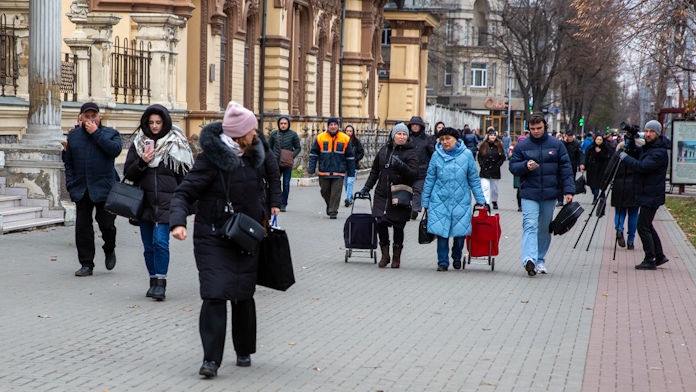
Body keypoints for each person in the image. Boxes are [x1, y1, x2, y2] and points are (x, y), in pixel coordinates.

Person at [170, 101, 274, 377]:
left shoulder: (255, 156)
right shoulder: (210, 160)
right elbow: (183, 194)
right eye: (252, 129)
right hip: (213, 237)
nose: (256, 133)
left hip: (246, 237)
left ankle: (243, 349)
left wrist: (267, 212)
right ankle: (210, 360)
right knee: (215, 294)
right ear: (240, 133)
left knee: (243, 295)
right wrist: (178, 222)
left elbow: (266, 185)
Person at [123, 104, 194, 300]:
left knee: (161, 242)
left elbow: (185, 176)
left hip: (167, 203)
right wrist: (143, 161)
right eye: (151, 122)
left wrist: (187, 203)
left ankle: (161, 283)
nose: (154, 126)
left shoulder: (176, 143)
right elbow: (128, 173)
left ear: (165, 122)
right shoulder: (139, 143)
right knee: (148, 246)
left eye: (158, 122)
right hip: (144, 202)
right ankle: (153, 280)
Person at [509, 114, 574, 276]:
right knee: (530, 225)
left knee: (544, 228)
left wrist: (569, 190)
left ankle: (539, 260)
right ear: (528, 129)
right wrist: (525, 165)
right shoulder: (521, 146)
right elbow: (513, 167)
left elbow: (565, 169)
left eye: (539, 128)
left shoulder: (556, 145)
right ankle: (529, 260)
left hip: (550, 194)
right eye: (532, 129)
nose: (536, 131)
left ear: (545, 127)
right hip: (529, 193)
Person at [63, 102, 122, 277]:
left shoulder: (111, 134)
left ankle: (109, 247)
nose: (90, 119)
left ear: (99, 117)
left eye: (93, 116)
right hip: (81, 189)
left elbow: (114, 151)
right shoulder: (73, 136)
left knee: (107, 224)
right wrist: (70, 184)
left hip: (104, 189)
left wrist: (95, 133)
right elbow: (68, 162)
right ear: (80, 118)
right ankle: (86, 264)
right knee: (83, 227)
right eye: (86, 116)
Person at [422, 127, 486, 271]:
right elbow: (430, 179)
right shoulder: (436, 156)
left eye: (448, 139)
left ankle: (457, 257)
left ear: (456, 140)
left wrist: (481, 200)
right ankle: (443, 262)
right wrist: (425, 201)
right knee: (442, 233)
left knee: (460, 233)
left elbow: (474, 180)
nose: (445, 142)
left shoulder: (467, 155)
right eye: (442, 139)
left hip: (461, 200)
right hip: (439, 200)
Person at [358, 122, 418, 268]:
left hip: (400, 195)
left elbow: (414, 174)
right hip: (382, 194)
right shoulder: (384, 150)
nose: (402, 137)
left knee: (398, 227)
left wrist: (402, 166)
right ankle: (385, 255)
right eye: (399, 134)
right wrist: (366, 188)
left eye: (404, 134)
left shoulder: (411, 153)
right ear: (393, 135)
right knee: (380, 223)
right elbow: (374, 172)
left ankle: (396, 257)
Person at [619, 120, 670, 270]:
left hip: (652, 194)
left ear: (658, 133)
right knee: (647, 225)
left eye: (651, 132)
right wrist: (630, 143)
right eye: (646, 131)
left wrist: (624, 158)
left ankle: (650, 258)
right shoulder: (651, 148)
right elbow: (639, 154)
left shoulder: (659, 152)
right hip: (647, 192)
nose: (648, 134)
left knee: (642, 226)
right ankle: (659, 255)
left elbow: (642, 166)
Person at [308, 117, 355, 219]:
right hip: (324, 170)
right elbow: (313, 154)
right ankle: (330, 206)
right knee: (324, 191)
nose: (333, 126)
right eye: (331, 125)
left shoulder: (345, 138)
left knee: (336, 192)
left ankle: (333, 211)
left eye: (335, 124)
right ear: (328, 126)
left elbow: (350, 157)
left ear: (338, 126)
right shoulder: (320, 138)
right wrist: (311, 168)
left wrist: (351, 173)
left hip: (339, 171)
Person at [610, 138, 639, 250]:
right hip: (635, 186)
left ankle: (619, 228)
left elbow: (610, 169)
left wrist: (603, 186)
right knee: (633, 214)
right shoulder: (639, 153)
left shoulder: (618, 154)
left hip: (619, 185)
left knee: (620, 211)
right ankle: (631, 240)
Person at [268, 115, 301, 212]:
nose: (283, 125)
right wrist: (271, 158)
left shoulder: (293, 134)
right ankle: (275, 202)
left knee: (286, 184)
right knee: (275, 183)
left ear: (288, 124)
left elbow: (298, 148)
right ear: (279, 124)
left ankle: (283, 203)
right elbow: (268, 148)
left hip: (287, 163)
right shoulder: (274, 134)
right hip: (275, 163)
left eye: (285, 123)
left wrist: (291, 156)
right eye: (281, 123)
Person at [407, 115, 435, 220]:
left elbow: (432, 153)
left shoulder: (427, 139)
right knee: (408, 189)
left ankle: (415, 209)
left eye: (417, 125)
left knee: (418, 190)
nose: (415, 127)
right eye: (413, 125)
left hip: (422, 170)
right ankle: (409, 208)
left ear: (420, 126)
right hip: (408, 169)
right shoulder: (407, 138)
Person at [477, 127, 506, 209]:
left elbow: (503, 157)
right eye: (491, 135)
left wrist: (498, 165)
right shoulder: (483, 145)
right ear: (488, 136)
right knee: (485, 187)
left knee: (494, 188)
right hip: (485, 170)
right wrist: (481, 164)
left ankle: (494, 200)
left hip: (495, 170)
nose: (492, 137)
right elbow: (479, 156)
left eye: (494, 135)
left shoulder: (499, 145)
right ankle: (486, 203)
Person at [557, 130, 585, 206]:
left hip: (572, 166)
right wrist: (565, 142)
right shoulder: (562, 144)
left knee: (570, 182)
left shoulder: (576, 144)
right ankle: (560, 200)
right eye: (568, 136)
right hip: (561, 166)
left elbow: (580, 154)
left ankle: (569, 198)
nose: (570, 138)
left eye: (571, 136)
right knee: (559, 183)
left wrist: (582, 163)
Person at [584, 135, 611, 203]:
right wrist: (584, 166)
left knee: (598, 184)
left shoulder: (605, 148)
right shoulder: (590, 147)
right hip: (591, 169)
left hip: (601, 169)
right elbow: (586, 157)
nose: (599, 141)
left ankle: (596, 198)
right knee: (591, 184)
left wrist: (599, 152)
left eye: (600, 140)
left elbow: (606, 158)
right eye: (597, 139)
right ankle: (595, 194)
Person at [343, 124, 364, 207]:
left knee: (350, 182)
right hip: (344, 166)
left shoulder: (356, 142)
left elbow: (361, 152)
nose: (349, 133)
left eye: (350, 131)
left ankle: (348, 198)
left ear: (353, 132)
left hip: (353, 165)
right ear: (345, 131)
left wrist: (356, 158)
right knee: (346, 184)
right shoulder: (342, 141)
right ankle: (351, 199)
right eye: (347, 131)